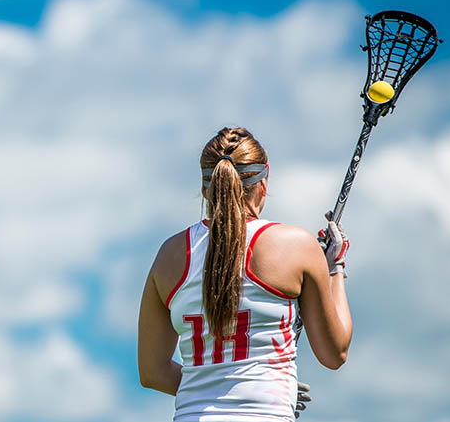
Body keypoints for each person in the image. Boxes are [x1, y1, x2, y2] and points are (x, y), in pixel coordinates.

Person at [138, 127, 352, 422]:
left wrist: (209, 393)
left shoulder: (170, 255)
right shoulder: (296, 245)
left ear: (205, 189)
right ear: (263, 185)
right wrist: (334, 269)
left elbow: (152, 372)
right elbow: (334, 353)